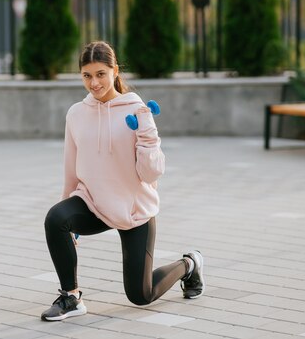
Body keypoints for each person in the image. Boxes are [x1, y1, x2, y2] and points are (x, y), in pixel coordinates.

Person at [41, 41, 204, 322]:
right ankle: (71, 296)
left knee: (141, 295)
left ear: (115, 71)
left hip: (133, 208)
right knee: (56, 218)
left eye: (101, 74)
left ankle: (189, 264)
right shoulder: (76, 114)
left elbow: (151, 175)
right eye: (87, 75)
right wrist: (68, 215)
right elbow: (71, 168)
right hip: (93, 203)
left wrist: (148, 138)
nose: (94, 83)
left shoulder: (136, 109)